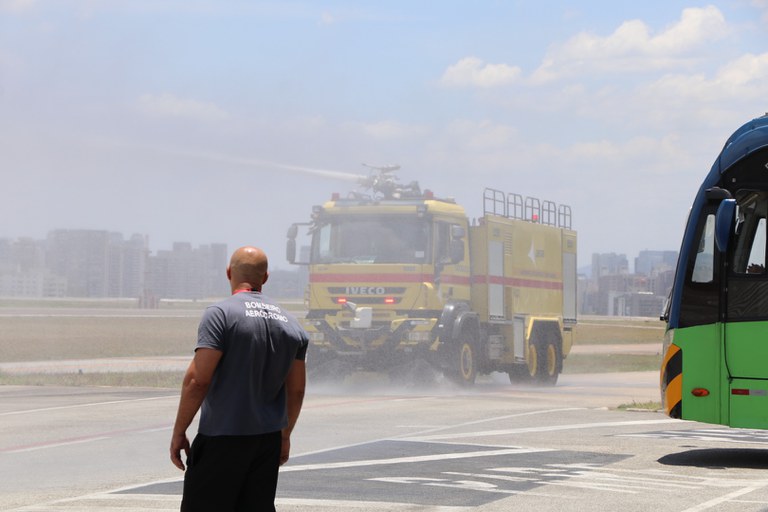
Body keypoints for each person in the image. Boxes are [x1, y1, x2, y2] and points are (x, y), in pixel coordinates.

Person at [170, 246, 308, 512]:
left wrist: (179, 432)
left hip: (222, 438)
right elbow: (297, 391)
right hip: (267, 441)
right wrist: (285, 436)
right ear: (265, 277)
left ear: (228, 273)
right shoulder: (292, 324)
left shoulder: (220, 314)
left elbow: (197, 381)